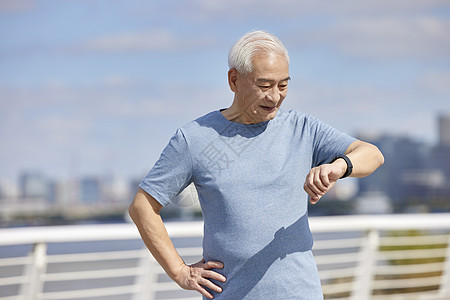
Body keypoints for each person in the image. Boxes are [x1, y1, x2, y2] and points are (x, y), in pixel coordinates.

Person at [129, 30, 384, 299]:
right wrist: (180, 271)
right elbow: (142, 207)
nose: (275, 97)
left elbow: (372, 154)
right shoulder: (194, 139)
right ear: (234, 80)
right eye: (264, 86)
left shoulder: (303, 129)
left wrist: (339, 166)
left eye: (283, 85)